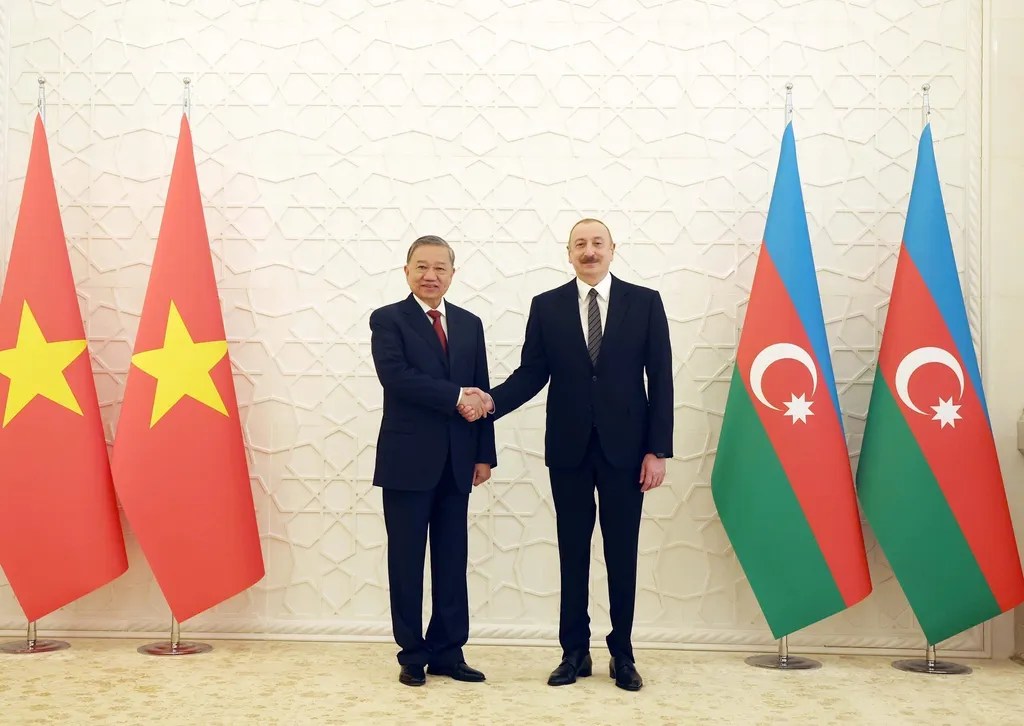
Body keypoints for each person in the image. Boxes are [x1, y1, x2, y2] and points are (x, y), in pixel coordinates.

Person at [462, 219, 672, 691]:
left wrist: (657, 450)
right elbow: (532, 373)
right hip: (568, 449)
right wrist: (490, 402)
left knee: (622, 553)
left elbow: (661, 377)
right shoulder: (548, 305)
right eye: (580, 244)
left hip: (627, 452)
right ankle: (574, 653)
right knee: (572, 553)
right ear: (569, 253)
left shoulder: (644, 302)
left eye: (597, 243)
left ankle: (622, 654)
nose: (589, 251)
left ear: (613, 249)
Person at [370, 234, 496, 687]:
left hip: (458, 461)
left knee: (451, 560)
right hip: (407, 462)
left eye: (440, 267)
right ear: (406, 271)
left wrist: (484, 455)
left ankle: (448, 651)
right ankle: (412, 654)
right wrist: (456, 396)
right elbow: (397, 377)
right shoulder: (388, 319)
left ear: (452, 274)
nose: (430, 275)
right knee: (406, 562)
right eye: (421, 266)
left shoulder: (469, 323)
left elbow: (481, 388)